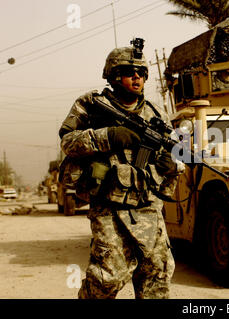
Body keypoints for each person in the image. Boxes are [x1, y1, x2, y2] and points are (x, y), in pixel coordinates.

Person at [58, 38, 184, 299]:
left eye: (142, 73)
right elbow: (68, 142)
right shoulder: (92, 104)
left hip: (148, 207)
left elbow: (173, 161)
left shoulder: (156, 114)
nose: (136, 78)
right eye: (129, 72)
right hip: (108, 207)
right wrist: (108, 136)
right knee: (107, 278)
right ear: (113, 76)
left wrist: (170, 165)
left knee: (157, 275)